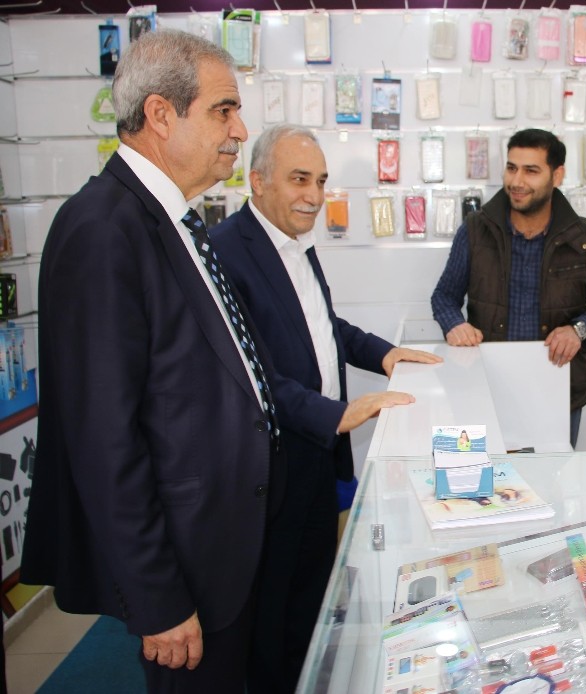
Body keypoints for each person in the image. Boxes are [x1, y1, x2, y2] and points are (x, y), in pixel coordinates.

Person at [20, 30, 278, 693]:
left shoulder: (172, 220)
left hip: (221, 548)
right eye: (223, 110)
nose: (239, 129)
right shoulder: (103, 229)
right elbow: (102, 440)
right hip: (182, 565)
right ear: (161, 114)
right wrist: (156, 597)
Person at [209, 123, 441, 693]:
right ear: (257, 181)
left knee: (310, 601)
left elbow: (320, 327)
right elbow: (247, 372)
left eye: (320, 181)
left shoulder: (295, 242)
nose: (314, 195)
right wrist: (336, 414)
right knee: (271, 616)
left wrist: (384, 353)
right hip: (270, 469)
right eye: (299, 180)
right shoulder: (226, 251)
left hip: (316, 459)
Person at [431, 128, 586, 448]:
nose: (517, 181)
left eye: (531, 171)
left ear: (557, 175)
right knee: (480, 477)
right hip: (484, 387)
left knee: (551, 478)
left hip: (556, 392)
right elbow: (444, 296)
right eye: (512, 168)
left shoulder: (583, 237)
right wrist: (454, 325)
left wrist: (579, 329)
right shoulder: (476, 229)